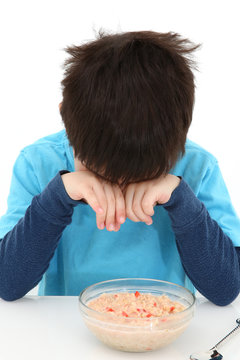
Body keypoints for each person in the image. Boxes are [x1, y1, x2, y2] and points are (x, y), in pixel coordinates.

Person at [0, 30, 240, 305]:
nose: (119, 188)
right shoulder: (37, 164)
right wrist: (57, 197)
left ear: (178, 137)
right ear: (66, 118)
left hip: (163, 333)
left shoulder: (198, 167)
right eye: (100, 173)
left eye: (141, 176)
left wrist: (180, 199)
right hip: (66, 332)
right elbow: (7, 284)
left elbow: (225, 290)